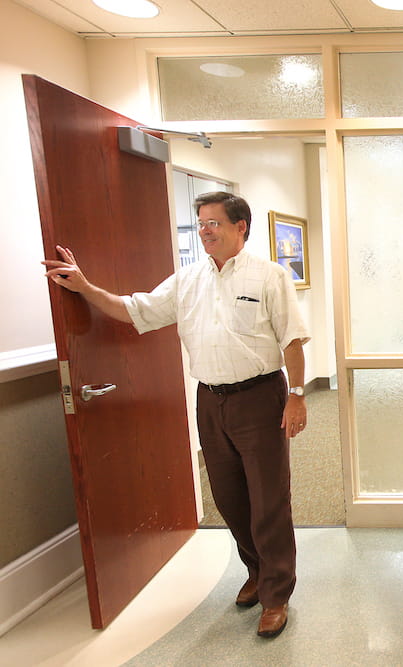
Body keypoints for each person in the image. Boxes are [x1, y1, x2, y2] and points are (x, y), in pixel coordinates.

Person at [41, 192, 308, 639]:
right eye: (201, 223)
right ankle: (257, 570)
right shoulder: (187, 280)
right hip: (210, 400)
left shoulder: (270, 276)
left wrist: (297, 395)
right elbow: (134, 309)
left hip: (260, 397)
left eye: (214, 223)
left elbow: (293, 340)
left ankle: (276, 595)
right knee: (228, 497)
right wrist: (85, 287)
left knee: (269, 499)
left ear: (240, 227)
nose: (205, 230)